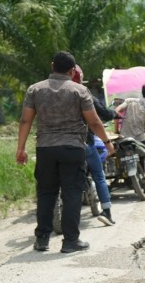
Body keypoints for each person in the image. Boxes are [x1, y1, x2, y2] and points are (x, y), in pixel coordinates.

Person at [15, 51, 115, 253]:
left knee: (45, 193)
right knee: (71, 194)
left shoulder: (35, 89)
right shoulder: (79, 91)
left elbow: (26, 120)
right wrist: (107, 142)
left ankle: (42, 239)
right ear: (72, 71)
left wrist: (21, 148)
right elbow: (94, 121)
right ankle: (70, 241)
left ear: (52, 66)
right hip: (73, 148)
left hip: (45, 148)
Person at [73, 65, 116, 226]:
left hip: (54, 143)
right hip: (84, 142)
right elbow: (99, 117)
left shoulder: (50, 90)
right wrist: (108, 142)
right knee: (99, 175)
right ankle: (107, 212)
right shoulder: (84, 92)